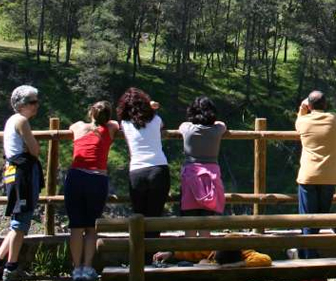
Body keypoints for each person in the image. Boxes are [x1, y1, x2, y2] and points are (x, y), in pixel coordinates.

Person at [0, 85, 43, 281]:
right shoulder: (21, 121)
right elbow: (35, 150)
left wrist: (29, 147)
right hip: (24, 173)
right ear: (22, 105)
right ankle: (11, 268)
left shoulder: (12, 120)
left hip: (14, 171)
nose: (37, 106)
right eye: (33, 102)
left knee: (17, 220)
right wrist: (31, 147)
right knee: (21, 222)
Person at [64, 101, 119, 281]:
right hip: (97, 179)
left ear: (91, 113)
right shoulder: (110, 128)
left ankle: (76, 269)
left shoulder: (79, 127)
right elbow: (115, 123)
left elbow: (71, 126)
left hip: (76, 178)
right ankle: (87, 268)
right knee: (91, 227)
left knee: (76, 226)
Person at [295, 90, 336, 258]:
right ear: (325, 105)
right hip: (329, 176)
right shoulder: (334, 119)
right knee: (321, 215)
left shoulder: (303, 121)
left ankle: (308, 254)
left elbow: (297, 125)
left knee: (307, 218)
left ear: (309, 106)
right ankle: (310, 252)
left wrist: (302, 110)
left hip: (308, 175)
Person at [117, 88, 170, 238]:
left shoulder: (125, 124)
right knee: (154, 216)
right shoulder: (156, 119)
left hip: (137, 171)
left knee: (138, 217)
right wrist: (151, 106)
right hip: (158, 168)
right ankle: (151, 257)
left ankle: (139, 257)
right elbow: (160, 124)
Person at [178, 97, 227, 238]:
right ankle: (205, 254)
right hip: (211, 175)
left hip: (190, 175)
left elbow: (183, 125)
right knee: (207, 223)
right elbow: (222, 124)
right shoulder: (218, 129)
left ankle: (189, 255)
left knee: (189, 223)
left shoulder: (187, 128)